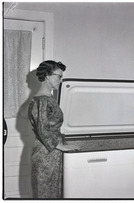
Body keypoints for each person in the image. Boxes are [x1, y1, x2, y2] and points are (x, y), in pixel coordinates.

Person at [28, 60, 79, 198]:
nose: (61, 80)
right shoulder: (41, 101)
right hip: (46, 153)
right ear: (47, 76)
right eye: (59, 76)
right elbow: (42, 130)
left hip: (52, 152)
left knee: (54, 191)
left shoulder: (48, 98)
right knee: (45, 191)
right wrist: (62, 147)